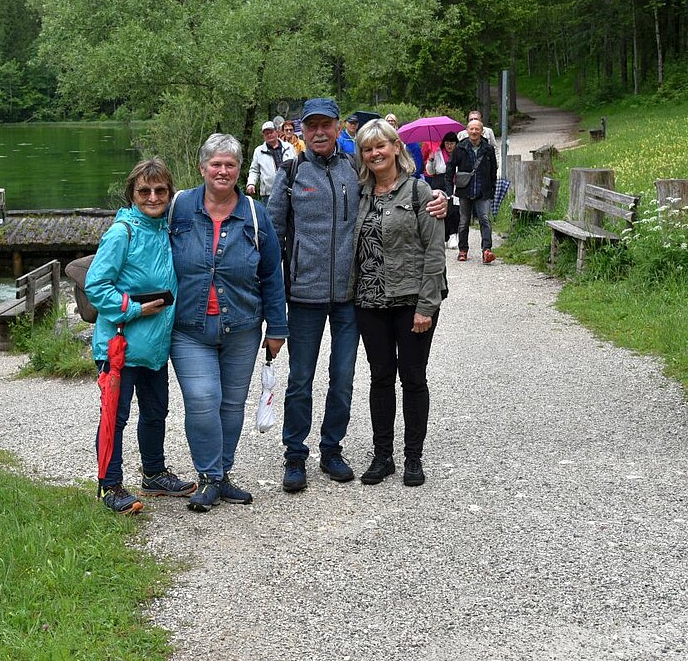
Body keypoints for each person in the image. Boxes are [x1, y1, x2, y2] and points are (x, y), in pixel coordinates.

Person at [268, 98, 450, 494]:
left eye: (326, 125)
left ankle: (332, 450)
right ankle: (295, 454)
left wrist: (441, 198)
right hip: (304, 295)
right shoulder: (290, 172)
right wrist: (273, 298)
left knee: (343, 378)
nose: (319, 132)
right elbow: (272, 234)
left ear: (339, 128)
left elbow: (399, 190)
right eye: (311, 125)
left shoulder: (355, 170)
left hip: (350, 297)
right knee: (300, 379)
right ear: (301, 130)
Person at [168, 133, 288, 513]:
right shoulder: (179, 207)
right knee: (203, 399)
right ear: (202, 167)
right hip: (189, 328)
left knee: (232, 405)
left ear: (239, 170)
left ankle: (221, 475)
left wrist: (277, 327)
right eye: (215, 164)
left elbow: (272, 274)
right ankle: (209, 475)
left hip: (243, 326)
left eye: (230, 164)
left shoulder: (255, 214)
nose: (222, 171)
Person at [84, 158, 194, 513]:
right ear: (132, 194)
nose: (153, 197)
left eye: (160, 190)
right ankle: (109, 486)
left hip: (154, 346)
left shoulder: (165, 230)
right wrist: (133, 308)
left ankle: (154, 474)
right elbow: (96, 285)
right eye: (144, 191)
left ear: (169, 193)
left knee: (155, 412)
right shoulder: (122, 233)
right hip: (120, 345)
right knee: (114, 416)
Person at [352, 119, 446, 488]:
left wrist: (427, 305)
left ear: (395, 147)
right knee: (380, 378)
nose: (375, 153)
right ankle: (383, 456)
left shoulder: (420, 192)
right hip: (369, 302)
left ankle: (413, 457)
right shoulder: (360, 193)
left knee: (413, 377)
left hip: (411, 301)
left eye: (381, 146)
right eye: (367, 148)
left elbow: (434, 252)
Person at [446, 119, 498, 264]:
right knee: (463, 222)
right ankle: (463, 250)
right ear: (467, 131)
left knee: (485, 220)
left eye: (477, 129)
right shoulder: (460, 148)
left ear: (482, 131)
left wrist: (492, 188)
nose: (474, 132)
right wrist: (449, 189)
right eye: (471, 129)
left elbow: (493, 170)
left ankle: (486, 250)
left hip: (483, 191)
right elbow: (450, 168)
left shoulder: (488, 149)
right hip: (464, 191)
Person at [425, 131, 461, 248]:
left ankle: (453, 235)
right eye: (447, 143)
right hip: (439, 183)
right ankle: (444, 236)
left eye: (452, 143)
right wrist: (430, 160)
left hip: (454, 184)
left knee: (453, 210)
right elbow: (430, 172)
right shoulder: (437, 154)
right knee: (440, 210)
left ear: (456, 144)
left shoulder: (459, 154)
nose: (449, 146)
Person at [245, 120, 294, 204]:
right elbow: (254, 170)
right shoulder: (259, 151)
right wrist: (251, 183)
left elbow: (296, 167)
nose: (269, 135)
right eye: (266, 133)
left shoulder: (289, 147)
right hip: (268, 194)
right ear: (263, 136)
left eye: (271, 132)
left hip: (289, 191)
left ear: (277, 132)